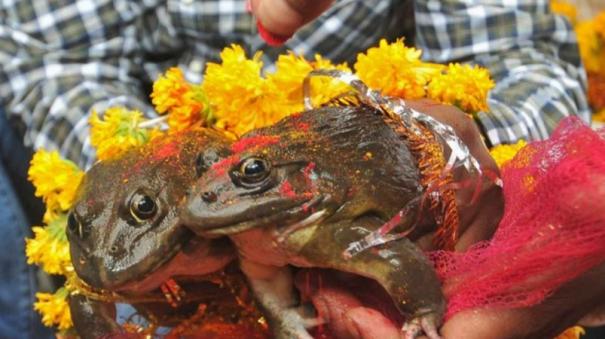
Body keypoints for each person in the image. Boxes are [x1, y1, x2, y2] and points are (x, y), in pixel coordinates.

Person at [0, 0, 594, 337]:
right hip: (159, 140)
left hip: (366, 136)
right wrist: (157, 169)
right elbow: (60, 61)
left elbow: (517, 60)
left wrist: (432, 151)